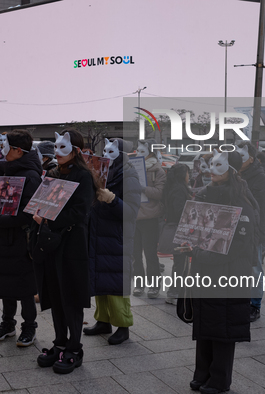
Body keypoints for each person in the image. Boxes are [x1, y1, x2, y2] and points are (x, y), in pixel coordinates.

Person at [187, 150, 255, 393]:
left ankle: (220, 378)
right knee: (205, 322)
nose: (213, 169)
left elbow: (237, 246)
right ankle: (202, 372)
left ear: (233, 170)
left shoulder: (242, 202)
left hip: (229, 273)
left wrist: (201, 253)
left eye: (220, 165)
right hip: (205, 270)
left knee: (223, 327)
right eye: (211, 164)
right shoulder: (204, 194)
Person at [31, 129, 97, 374]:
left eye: (63, 148)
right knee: (55, 295)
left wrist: (49, 220)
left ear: (76, 151)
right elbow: (42, 202)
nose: (57, 153)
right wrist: (39, 216)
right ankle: (59, 342)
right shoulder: (51, 173)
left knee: (71, 297)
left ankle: (74, 347)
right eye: (55, 148)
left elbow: (80, 213)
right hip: (50, 244)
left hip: (72, 245)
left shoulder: (84, 176)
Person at [0, 130, 43, 347]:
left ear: (19, 150)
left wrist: (2, 219)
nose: (1, 150)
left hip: (20, 239)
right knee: (3, 282)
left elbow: (30, 212)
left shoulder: (31, 176)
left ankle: (29, 326)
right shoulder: (1, 170)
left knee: (25, 285)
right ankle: (7, 323)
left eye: (5, 146)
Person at [84, 138, 141, 345]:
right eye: (105, 150)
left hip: (117, 237)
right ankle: (103, 320)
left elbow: (132, 212)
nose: (106, 155)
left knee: (116, 283)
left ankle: (123, 326)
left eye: (111, 152)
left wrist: (112, 200)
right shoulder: (101, 172)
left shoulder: (130, 176)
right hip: (99, 233)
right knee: (101, 280)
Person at [236, 141, 265, 322]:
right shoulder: (233, 173)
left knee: (255, 268)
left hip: (254, 229)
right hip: (234, 229)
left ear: (251, 158)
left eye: (241, 156)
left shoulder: (258, 176)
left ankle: (255, 305)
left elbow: (260, 207)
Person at [133, 139, 166, 298]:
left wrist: (143, 188)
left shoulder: (158, 170)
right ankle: (139, 285)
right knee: (135, 255)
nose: (138, 154)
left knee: (151, 255)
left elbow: (160, 193)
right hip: (134, 216)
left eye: (142, 151)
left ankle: (154, 286)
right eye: (137, 151)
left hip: (150, 217)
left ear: (151, 152)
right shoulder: (132, 169)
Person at [161, 163, 192, 304]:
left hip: (176, 228)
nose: (189, 176)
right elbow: (180, 210)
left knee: (180, 263)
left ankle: (177, 292)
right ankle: (174, 293)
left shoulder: (173, 187)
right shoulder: (179, 190)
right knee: (180, 263)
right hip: (180, 229)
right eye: (187, 173)